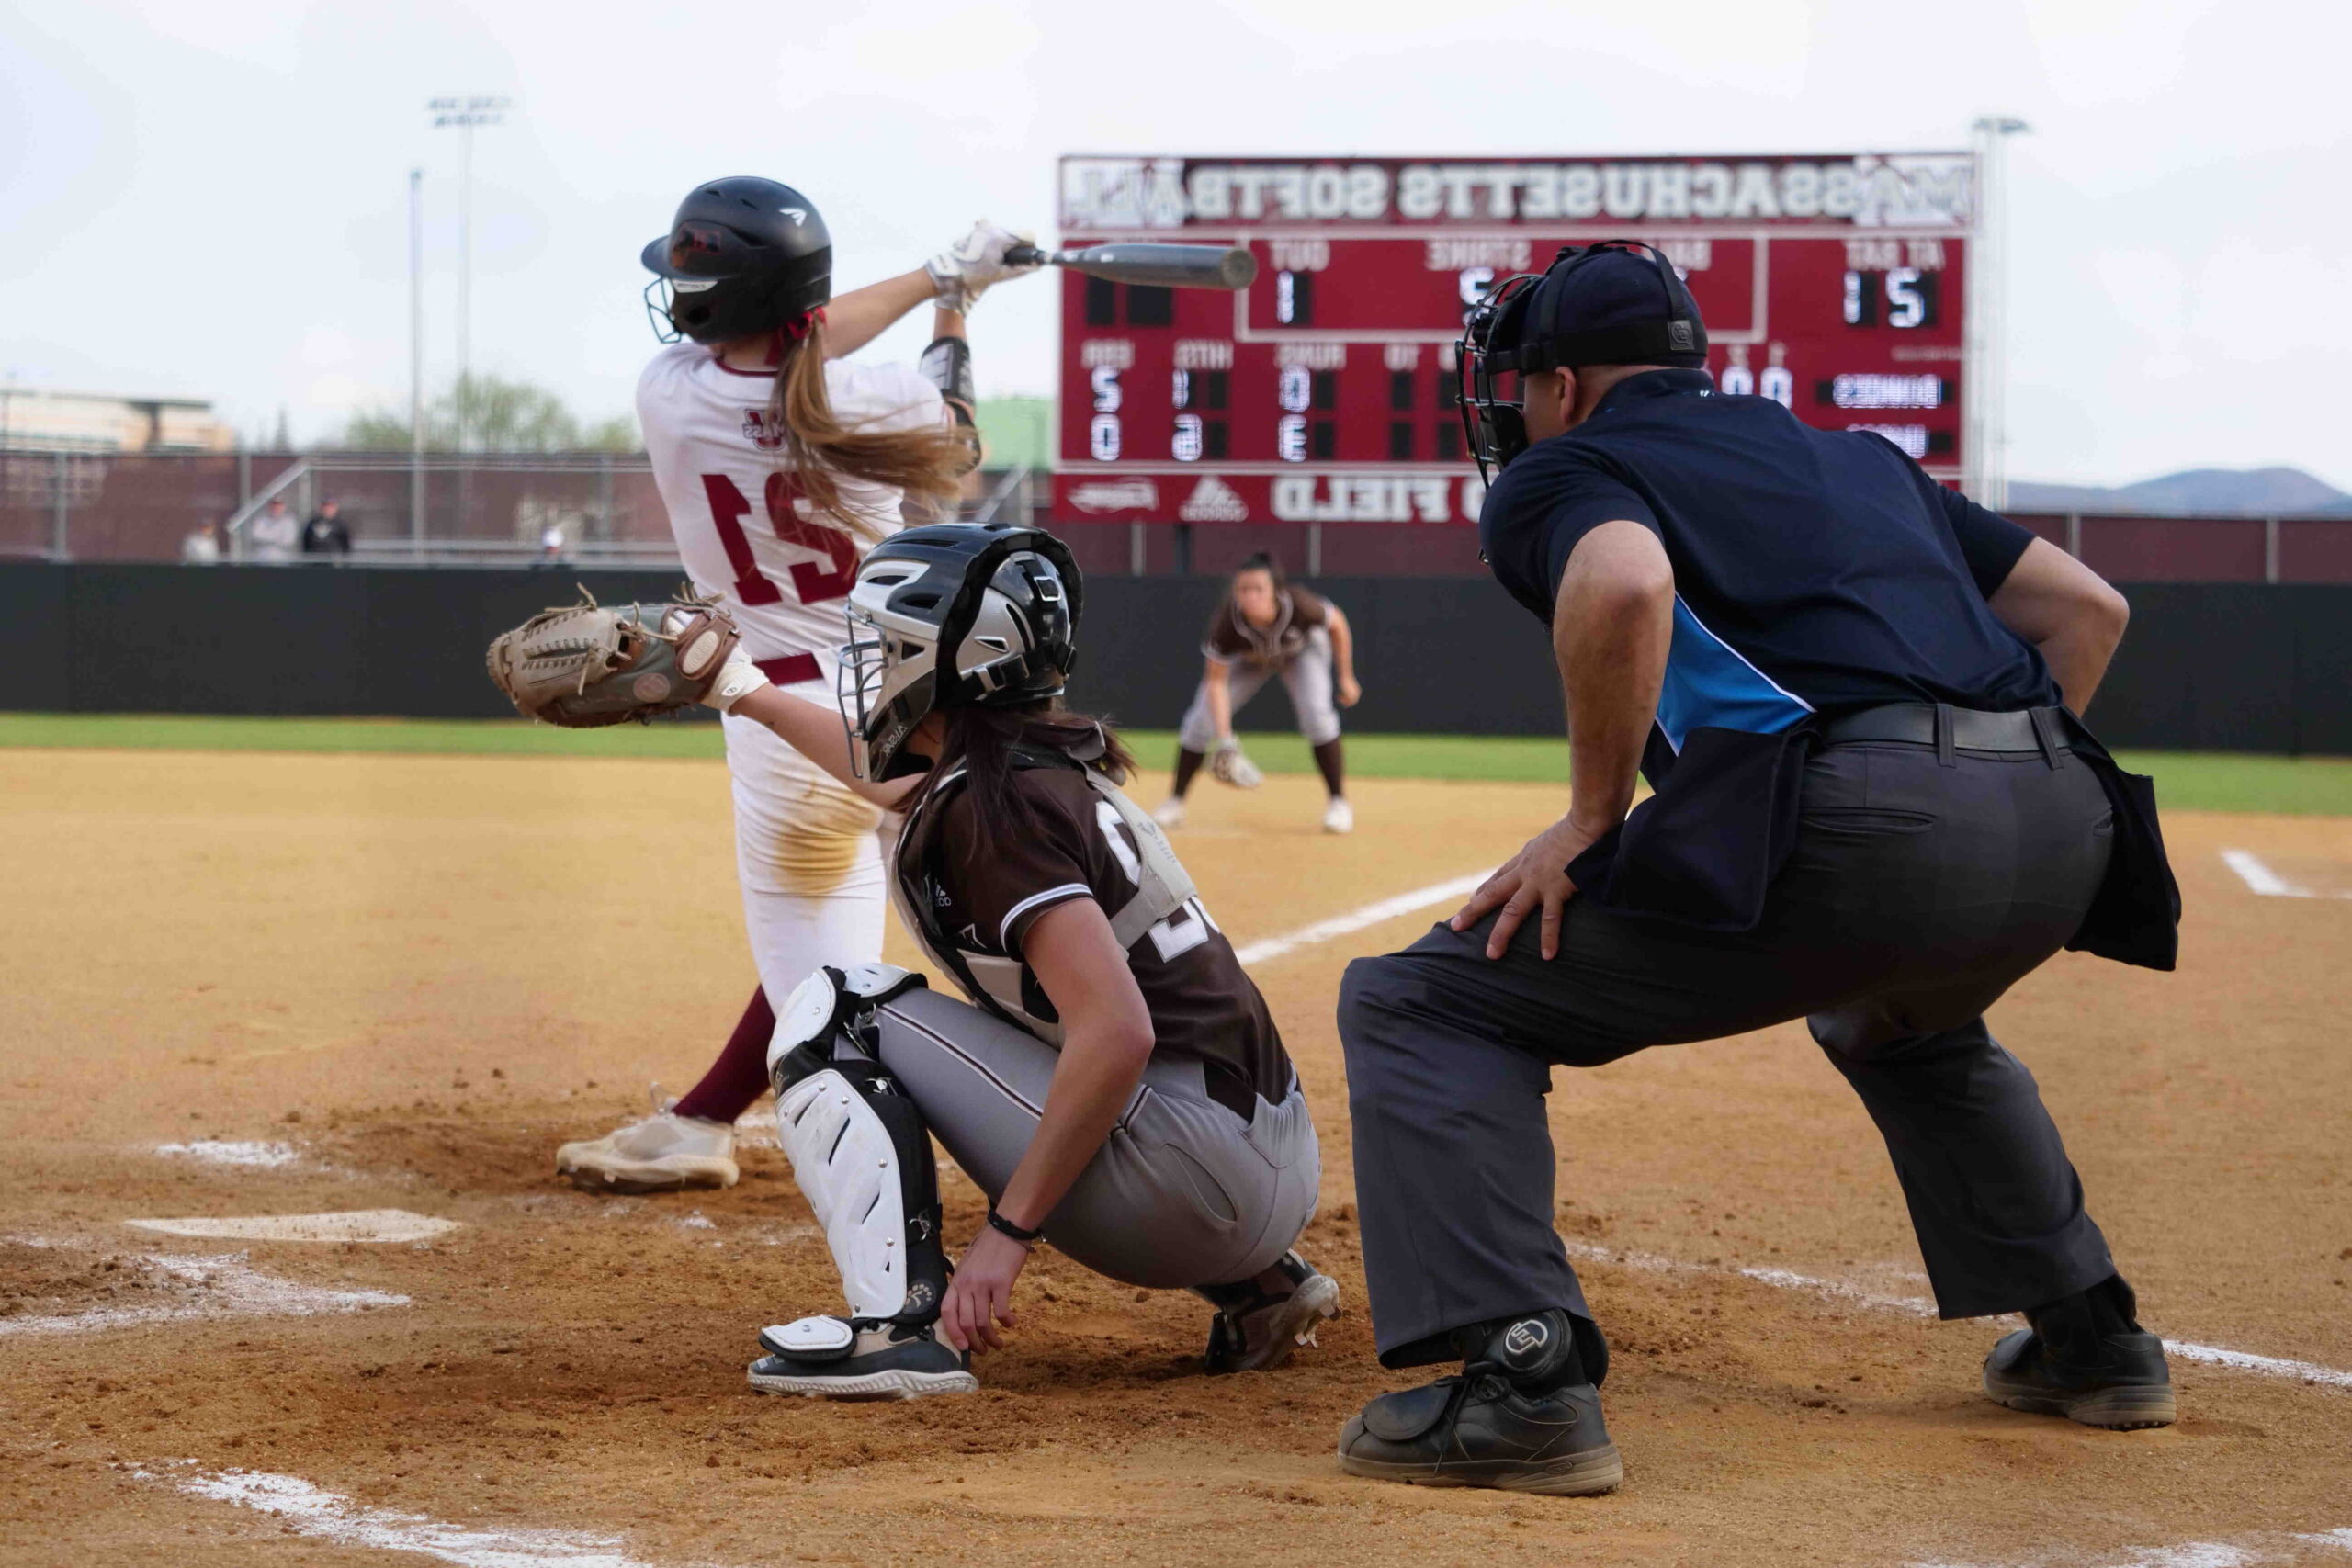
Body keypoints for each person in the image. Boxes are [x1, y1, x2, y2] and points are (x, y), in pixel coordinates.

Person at [1332, 242, 2179, 1495]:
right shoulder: (1858, 457)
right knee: (1906, 1019)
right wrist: (1986, 782)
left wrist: (1587, 817)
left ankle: (1520, 1383)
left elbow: (1625, 582)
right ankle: (2094, 1336)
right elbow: (2087, 612)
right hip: (2071, 817)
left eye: (1522, 386)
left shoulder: (1569, 464)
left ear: (1562, 383)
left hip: (1866, 818)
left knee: (1423, 997)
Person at [691, 523, 1340, 1398]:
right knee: (1048, 1028)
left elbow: (1116, 1031)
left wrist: (1008, 1233)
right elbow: (888, 780)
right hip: (1265, 1166)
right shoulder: (1030, 764)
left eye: (890, 647)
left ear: (948, 663)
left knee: (840, 1010)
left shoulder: (998, 812)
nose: (875, 666)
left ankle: (901, 1329)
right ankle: (1264, 1288)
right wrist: (742, 689)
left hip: (1190, 1183)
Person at [554, 176, 1042, 1192]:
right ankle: (1156, 1170)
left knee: (826, 1002)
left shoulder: (669, 394)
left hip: (780, 726)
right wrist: (953, 297)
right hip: (913, 714)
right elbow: (942, 431)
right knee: (1032, 968)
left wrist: (937, 278)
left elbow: (799, 354)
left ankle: (873, 1244)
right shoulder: (883, 399)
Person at [1153, 554, 1362, 835]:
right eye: (1243, 589)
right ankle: (1175, 802)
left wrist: (1346, 676)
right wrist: (1225, 740)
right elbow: (1215, 683)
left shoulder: (1298, 603)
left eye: (1258, 589)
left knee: (1317, 716)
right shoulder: (1228, 621)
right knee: (1199, 720)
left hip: (1302, 652)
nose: (1250, 596)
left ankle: (1338, 803)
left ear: (1275, 591)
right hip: (1251, 659)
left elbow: (1338, 623)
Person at [244, 497, 299, 563]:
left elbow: (288, 541)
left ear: (283, 507)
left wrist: (266, 537)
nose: (276, 508)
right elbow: (255, 536)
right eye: (273, 505)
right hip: (262, 559)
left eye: (279, 505)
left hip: (282, 560)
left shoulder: (289, 521)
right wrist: (277, 537)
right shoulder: (261, 520)